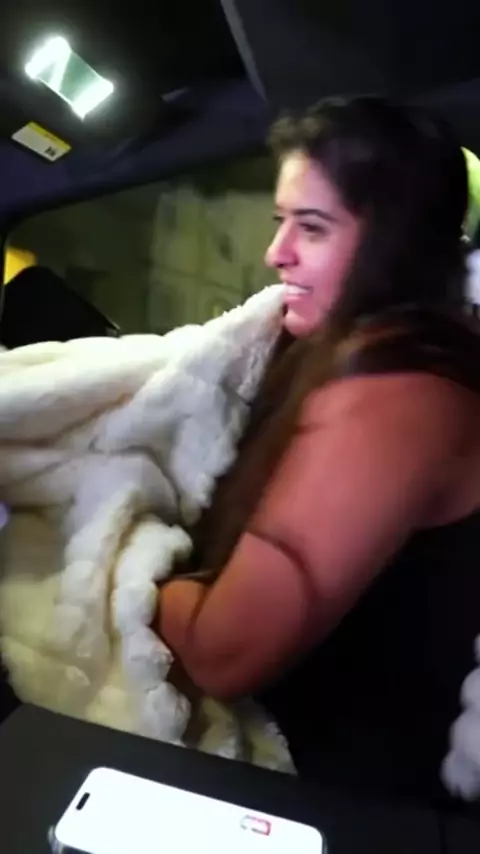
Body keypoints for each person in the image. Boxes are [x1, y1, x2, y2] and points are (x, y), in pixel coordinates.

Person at [152, 97, 480, 808]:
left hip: (361, 806)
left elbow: (220, 653)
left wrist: (136, 569)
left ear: (396, 244)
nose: (277, 254)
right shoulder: (350, 348)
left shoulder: (401, 394)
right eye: (282, 222)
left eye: (312, 227)